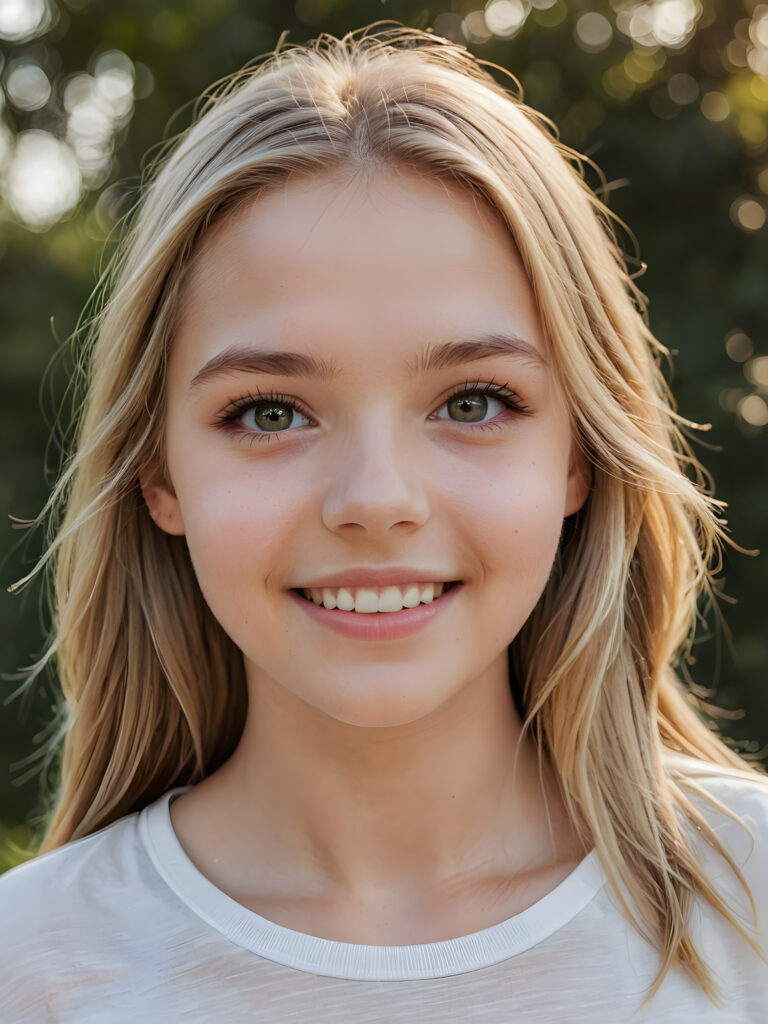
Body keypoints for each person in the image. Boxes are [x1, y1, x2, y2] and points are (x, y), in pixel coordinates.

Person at [1, 22, 766, 1023]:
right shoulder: (31, 967)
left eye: (474, 401)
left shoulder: (750, 907)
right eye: (270, 412)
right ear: (159, 475)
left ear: (578, 454)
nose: (375, 499)